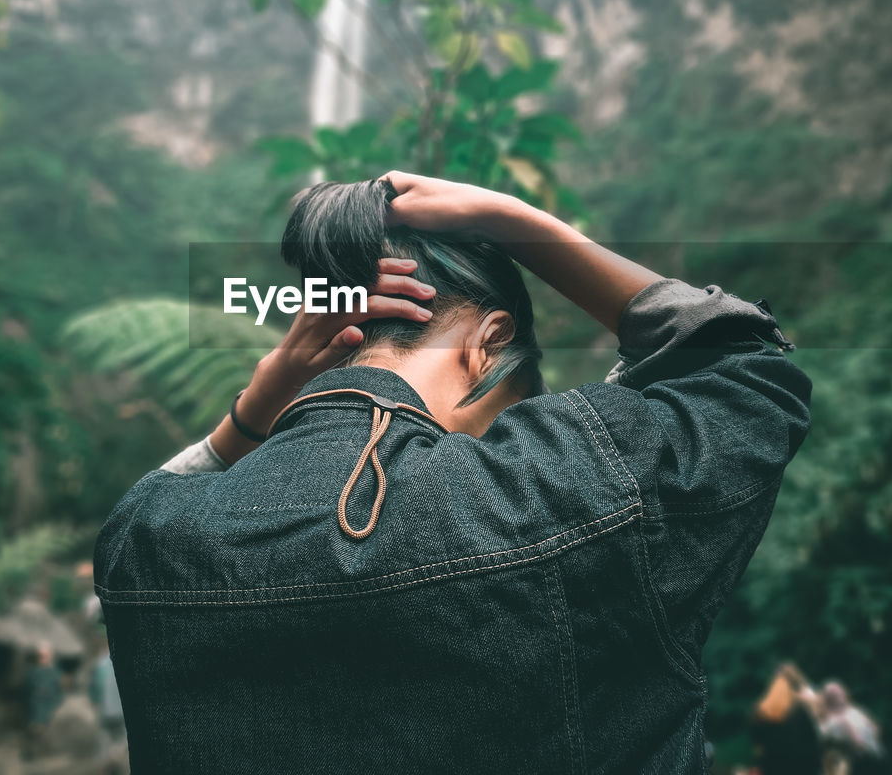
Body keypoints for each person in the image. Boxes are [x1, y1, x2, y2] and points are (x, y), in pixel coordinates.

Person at [95, 172, 812, 773]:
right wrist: (516, 221)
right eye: (517, 402)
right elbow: (749, 366)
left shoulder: (151, 540)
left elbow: (160, 491)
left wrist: (255, 409)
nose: (507, 430)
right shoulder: (564, 481)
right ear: (488, 343)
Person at [750, 663, 823, 775]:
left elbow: (758, 748)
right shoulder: (801, 705)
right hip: (803, 765)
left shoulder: (761, 710)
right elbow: (813, 740)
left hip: (774, 766)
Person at [816, 681, 883, 775]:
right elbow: (858, 742)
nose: (840, 696)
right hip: (853, 763)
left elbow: (875, 728)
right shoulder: (832, 719)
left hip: (869, 758)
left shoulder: (853, 710)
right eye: (836, 694)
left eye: (839, 693)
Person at [90, 640, 127, 773]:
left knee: (105, 738)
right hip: (120, 711)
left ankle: (106, 760)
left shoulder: (100, 667)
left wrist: (95, 703)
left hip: (105, 711)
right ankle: (115, 756)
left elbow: (94, 692)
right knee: (122, 737)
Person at [23, 641, 63, 760]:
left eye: (45, 655)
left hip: (51, 706)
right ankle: (34, 752)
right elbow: (27, 689)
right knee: (35, 729)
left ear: (50, 656)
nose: (43, 657)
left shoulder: (55, 673)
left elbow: (58, 691)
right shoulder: (32, 672)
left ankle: (46, 752)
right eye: (41, 655)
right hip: (36, 706)